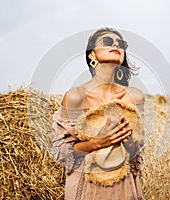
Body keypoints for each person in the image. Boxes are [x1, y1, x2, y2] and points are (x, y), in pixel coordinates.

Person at [52, 27, 145, 200]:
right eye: (108, 42)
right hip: (87, 187)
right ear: (91, 54)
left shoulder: (135, 96)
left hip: (125, 187)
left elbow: (135, 154)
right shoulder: (75, 96)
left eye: (121, 44)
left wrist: (129, 139)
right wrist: (98, 142)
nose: (116, 45)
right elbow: (61, 152)